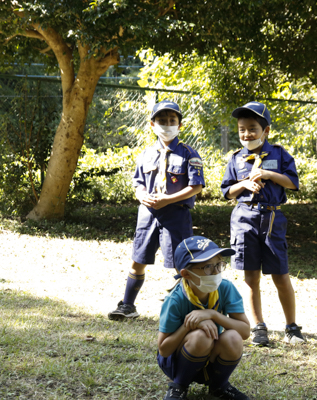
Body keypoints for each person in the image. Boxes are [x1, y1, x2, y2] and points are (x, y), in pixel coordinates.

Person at [108, 100, 205, 321]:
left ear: (180, 125)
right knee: (138, 259)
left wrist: (168, 199)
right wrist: (141, 195)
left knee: (181, 263)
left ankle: (187, 308)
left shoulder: (190, 153)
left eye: (172, 121)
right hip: (148, 214)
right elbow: (138, 183)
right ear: (152, 124)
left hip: (176, 214)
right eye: (161, 121)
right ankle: (127, 305)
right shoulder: (146, 153)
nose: (167, 125)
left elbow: (196, 187)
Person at [220, 101, 306, 346]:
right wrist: (244, 184)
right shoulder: (236, 159)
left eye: (252, 128)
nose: (246, 134)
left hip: (272, 219)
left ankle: (291, 327)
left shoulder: (279, 154)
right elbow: (226, 191)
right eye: (241, 129)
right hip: (243, 218)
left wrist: (268, 174)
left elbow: (293, 183)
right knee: (250, 276)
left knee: (281, 274)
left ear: (266, 130)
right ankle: (258, 327)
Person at [157, 235, 251, 400]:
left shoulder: (225, 288)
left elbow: (244, 331)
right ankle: (179, 386)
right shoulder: (175, 299)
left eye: (219, 264)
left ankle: (219, 386)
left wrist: (213, 315)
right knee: (201, 336)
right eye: (208, 267)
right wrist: (189, 325)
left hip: (210, 358)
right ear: (186, 274)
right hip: (178, 362)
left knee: (234, 337)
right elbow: (164, 350)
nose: (215, 272)